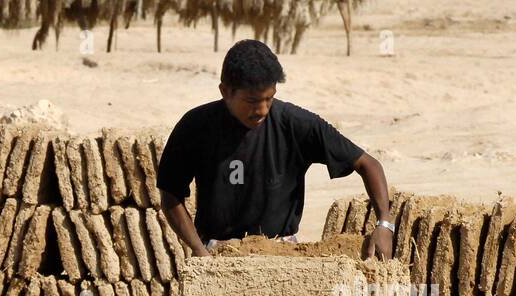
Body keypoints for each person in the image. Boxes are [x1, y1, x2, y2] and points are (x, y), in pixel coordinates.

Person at [158, 39, 394, 260]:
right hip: (218, 253)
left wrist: (384, 224)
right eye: (252, 101)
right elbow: (170, 194)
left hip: (281, 254)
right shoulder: (196, 127)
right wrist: (199, 249)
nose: (261, 110)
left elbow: (367, 164)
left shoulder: (296, 124)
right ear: (226, 91)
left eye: (269, 99)